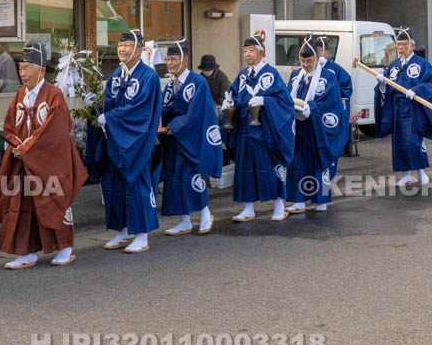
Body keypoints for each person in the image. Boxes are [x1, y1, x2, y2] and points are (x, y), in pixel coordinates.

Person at [0, 44, 87, 268]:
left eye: (27, 68)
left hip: (50, 160)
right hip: (24, 159)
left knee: (54, 200)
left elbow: (54, 131)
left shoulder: (53, 94)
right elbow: (10, 126)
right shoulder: (20, 94)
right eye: (20, 69)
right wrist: (16, 144)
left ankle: (65, 247)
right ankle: (26, 252)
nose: (23, 74)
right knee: (22, 203)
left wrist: (27, 147)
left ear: (42, 70)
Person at [93, 29, 162, 253]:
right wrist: (96, 107)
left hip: (137, 141)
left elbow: (140, 111)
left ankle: (142, 234)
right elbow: (110, 103)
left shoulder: (148, 76)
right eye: (120, 45)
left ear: (140, 50)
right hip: (116, 140)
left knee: (137, 185)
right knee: (114, 186)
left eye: (127, 45)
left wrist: (110, 118)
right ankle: (122, 231)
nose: (122, 49)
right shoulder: (117, 74)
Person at [222, 36, 295, 222]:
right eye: (245, 51)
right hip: (245, 130)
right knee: (245, 169)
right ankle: (248, 208)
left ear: (261, 52)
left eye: (251, 50)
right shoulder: (242, 75)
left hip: (266, 130)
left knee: (270, 168)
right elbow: (233, 95)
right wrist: (228, 102)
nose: (247, 54)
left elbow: (285, 102)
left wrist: (265, 101)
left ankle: (279, 205)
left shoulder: (271, 73)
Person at [159, 39, 221, 236]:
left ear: (184, 60)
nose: (170, 63)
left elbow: (197, 114)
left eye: (174, 59)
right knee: (175, 179)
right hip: (175, 139)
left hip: (191, 139)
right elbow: (165, 108)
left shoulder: (198, 82)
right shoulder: (171, 83)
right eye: (168, 59)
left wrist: (174, 126)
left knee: (192, 178)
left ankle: (205, 214)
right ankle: (184, 220)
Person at [372, 28, 432, 186]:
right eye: (399, 44)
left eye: (404, 44)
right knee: (400, 142)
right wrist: (382, 85)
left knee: (414, 141)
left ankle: (421, 171)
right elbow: (388, 88)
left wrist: (416, 90)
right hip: (398, 108)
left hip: (414, 108)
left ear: (412, 45)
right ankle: (405, 174)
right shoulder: (394, 65)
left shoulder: (422, 64)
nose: (401, 47)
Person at [286, 37, 346, 213]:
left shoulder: (328, 77)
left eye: (309, 61)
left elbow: (332, 104)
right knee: (297, 162)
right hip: (298, 127)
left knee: (318, 163)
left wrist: (311, 109)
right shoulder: (296, 75)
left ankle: (321, 200)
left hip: (317, 128)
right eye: (302, 61)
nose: (305, 64)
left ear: (317, 58)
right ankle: (298, 200)